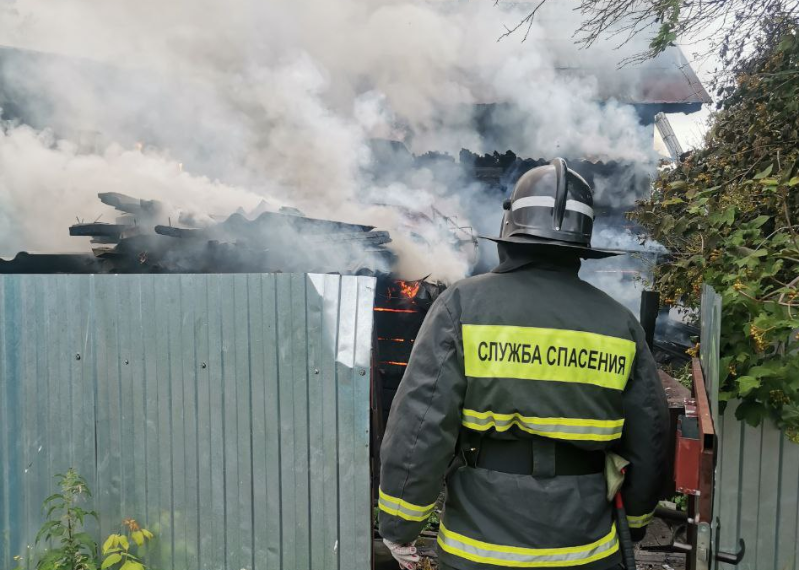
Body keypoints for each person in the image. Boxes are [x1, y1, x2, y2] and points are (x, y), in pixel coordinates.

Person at [378, 158, 669, 570]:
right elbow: (649, 434)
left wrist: (399, 525)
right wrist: (635, 520)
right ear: (582, 247)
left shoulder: (461, 305)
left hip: (478, 551)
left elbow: (420, 425)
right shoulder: (619, 322)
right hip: (586, 551)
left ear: (508, 234)